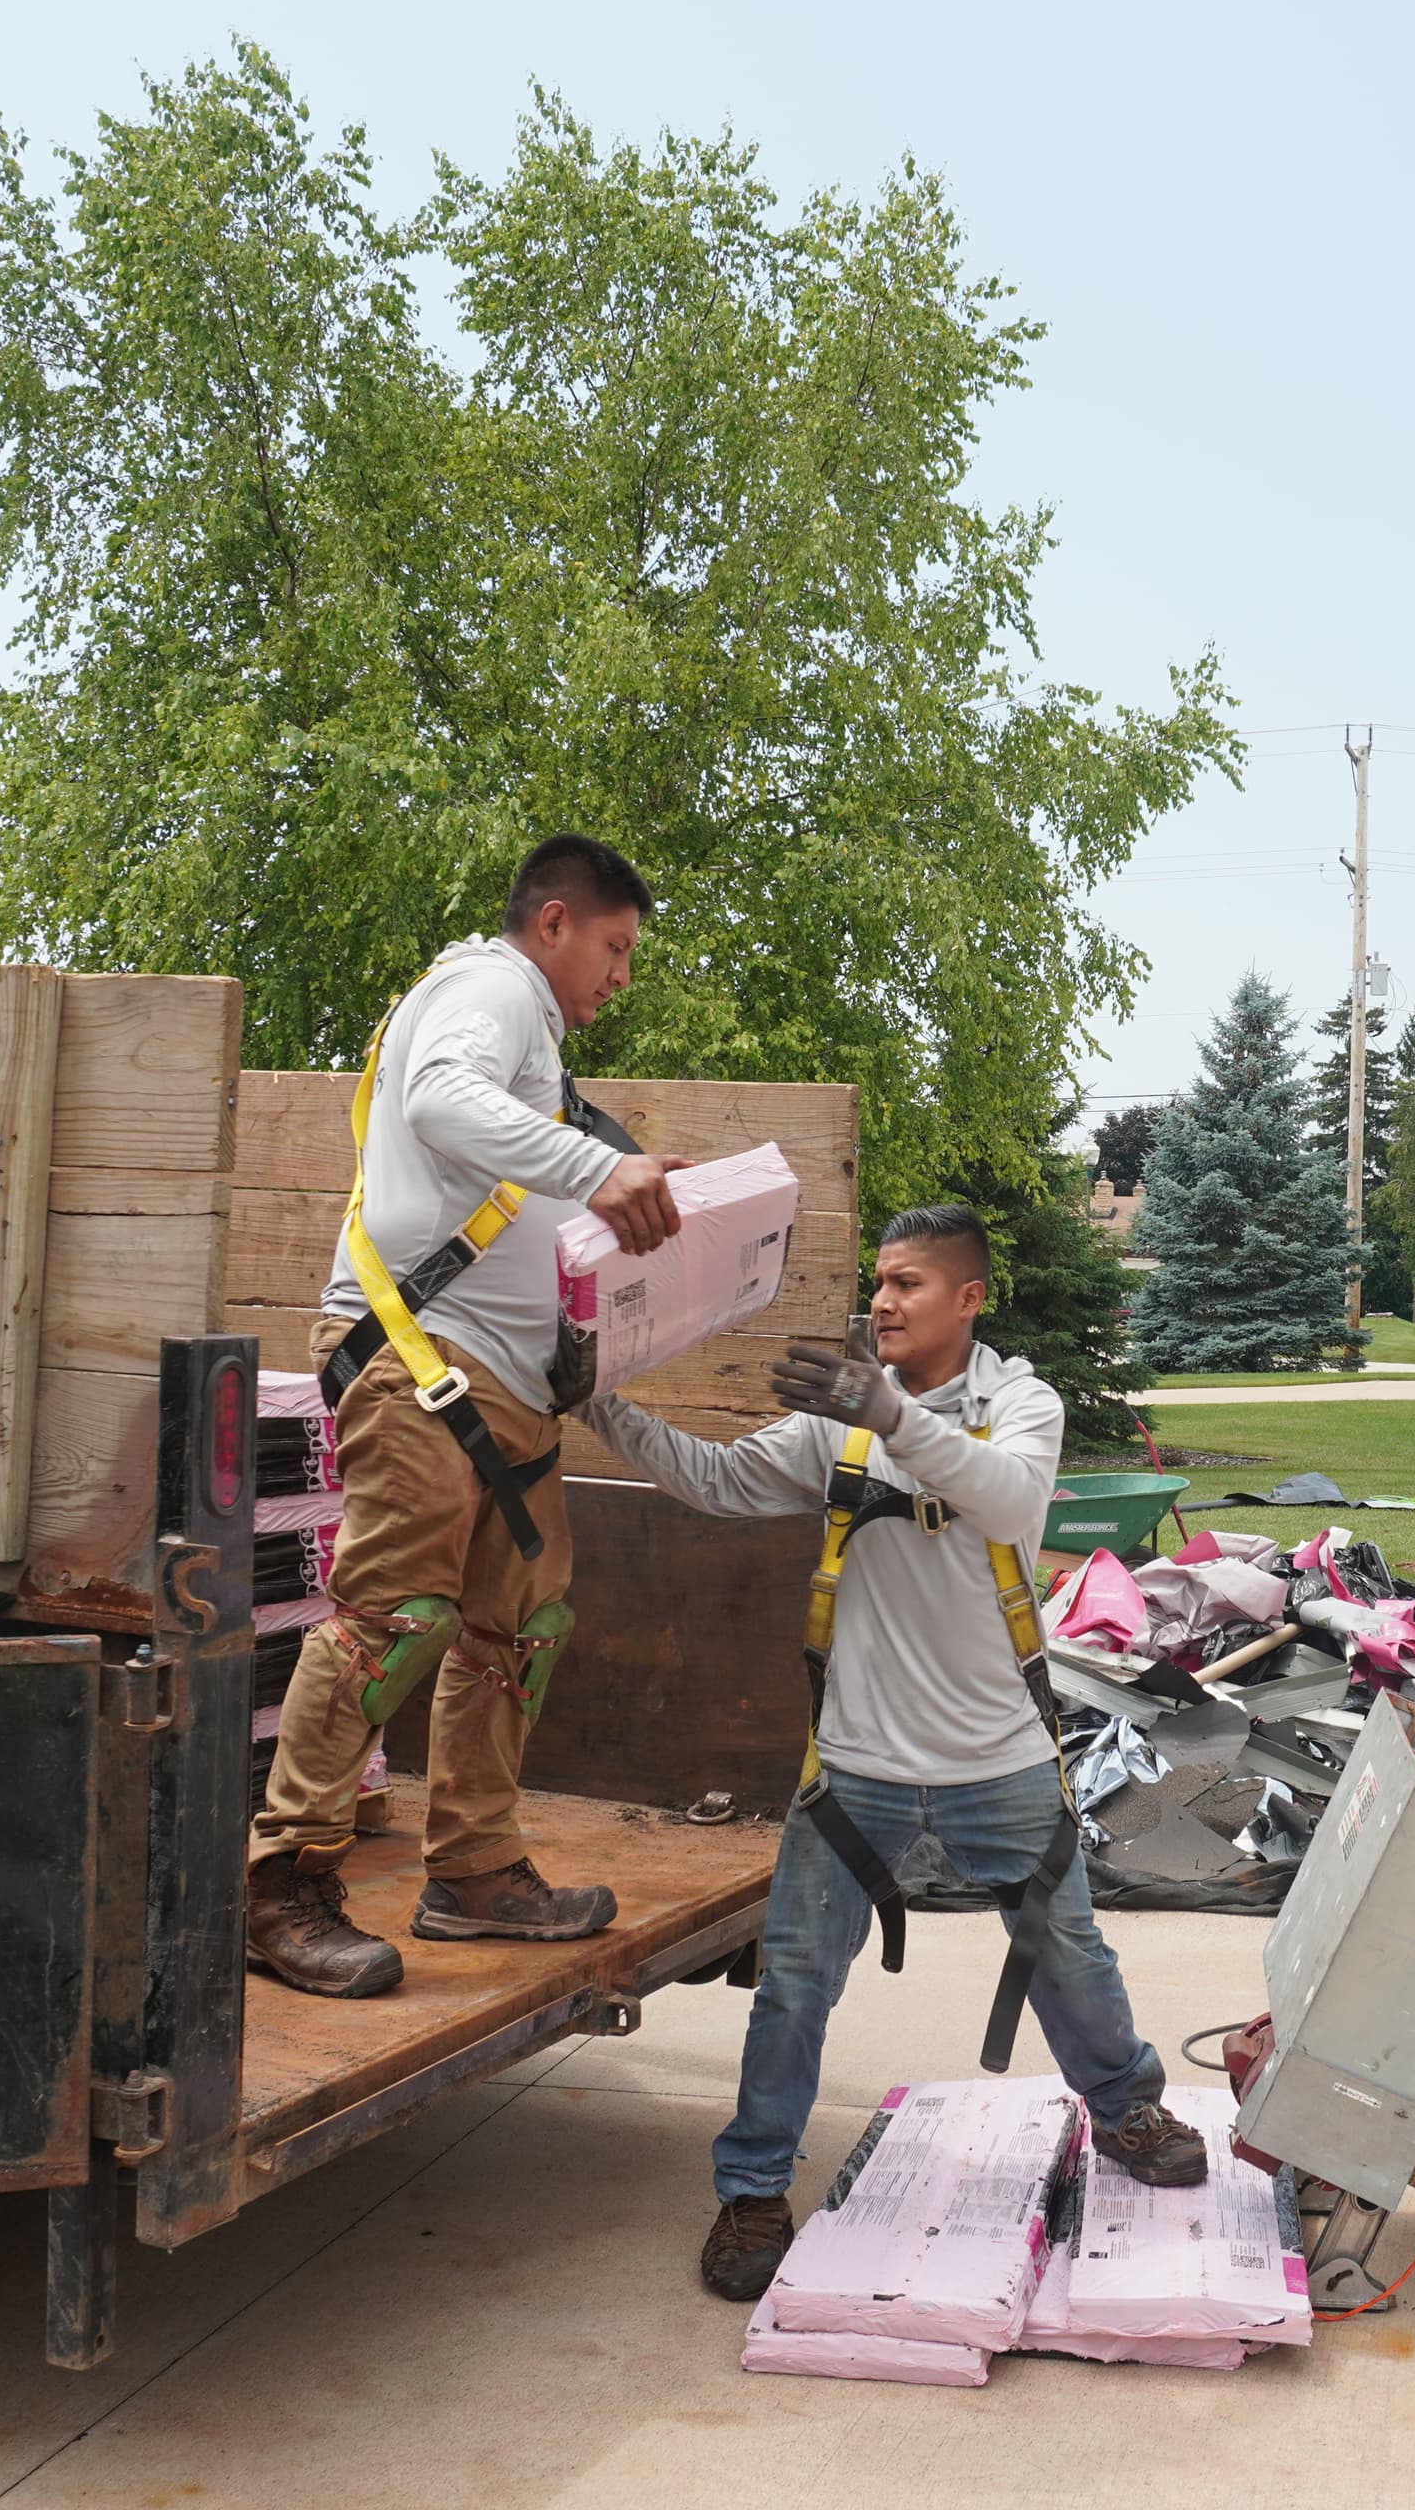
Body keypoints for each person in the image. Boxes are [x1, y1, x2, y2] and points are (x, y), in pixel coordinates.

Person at [586, 1204, 1212, 2302]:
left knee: (1068, 1955)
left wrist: (890, 1413)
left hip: (999, 1756)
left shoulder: (1022, 1404)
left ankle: (1124, 2108)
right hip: (857, 1767)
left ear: (969, 1299)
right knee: (791, 1986)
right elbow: (719, 1481)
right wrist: (595, 1402)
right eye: (878, 1280)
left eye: (909, 1283)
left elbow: (1008, 1496)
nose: (881, 1301)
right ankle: (753, 2188)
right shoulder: (841, 1421)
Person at [243, 833, 692, 1998]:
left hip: (507, 1381)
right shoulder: (489, 987)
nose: (621, 974)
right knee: (390, 1621)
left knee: (516, 1628)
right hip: (424, 1360)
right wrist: (595, 1174)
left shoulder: (536, 1046)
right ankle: (277, 1880)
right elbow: (442, 1101)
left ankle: (477, 1871)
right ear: (551, 922)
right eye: (614, 945)